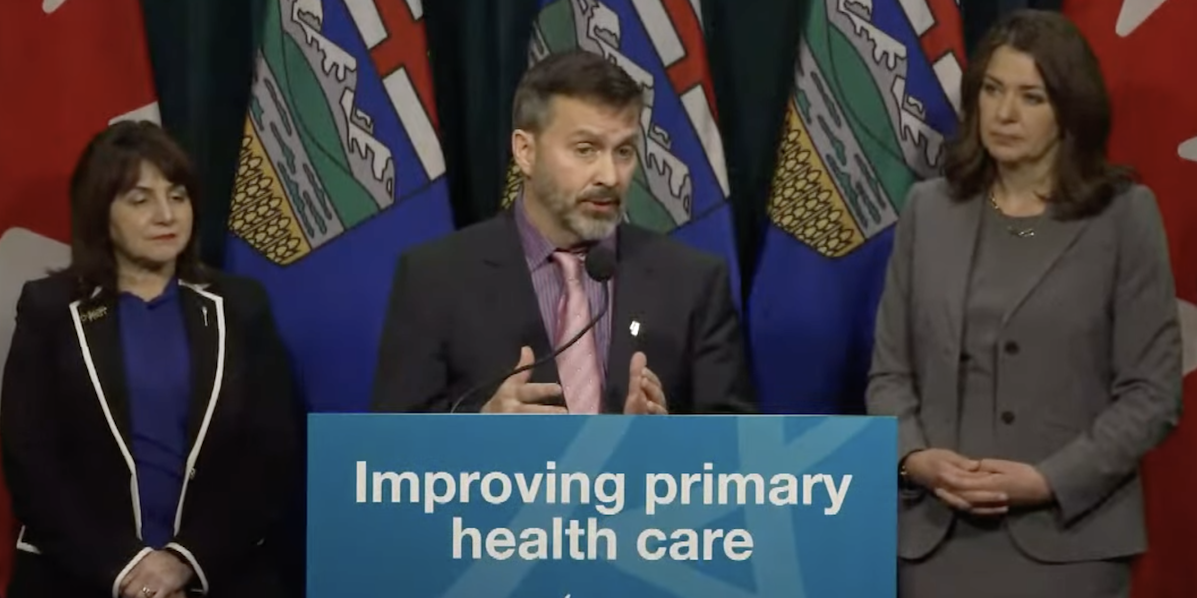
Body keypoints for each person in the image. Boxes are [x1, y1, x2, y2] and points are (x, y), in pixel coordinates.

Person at [866, 10, 1181, 598]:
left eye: (1030, 97)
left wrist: (1047, 480)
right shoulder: (929, 210)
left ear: (1069, 111)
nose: (1004, 114)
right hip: (935, 541)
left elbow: (1152, 393)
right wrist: (914, 458)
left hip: (1068, 544)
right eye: (992, 90)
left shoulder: (1123, 217)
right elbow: (890, 373)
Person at [0, 121, 301, 598]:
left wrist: (183, 563)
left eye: (177, 196)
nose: (166, 214)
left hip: (220, 574)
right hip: (78, 577)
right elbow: (31, 462)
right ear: (102, 214)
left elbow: (271, 452)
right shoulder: (50, 310)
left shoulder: (242, 305)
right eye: (140, 200)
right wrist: (130, 572)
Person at [370, 49, 755, 415]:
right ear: (525, 152)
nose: (609, 176)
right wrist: (477, 427)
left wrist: (661, 442)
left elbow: (739, 448)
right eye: (586, 149)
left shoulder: (693, 283)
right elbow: (387, 446)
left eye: (623, 152)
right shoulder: (435, 278)